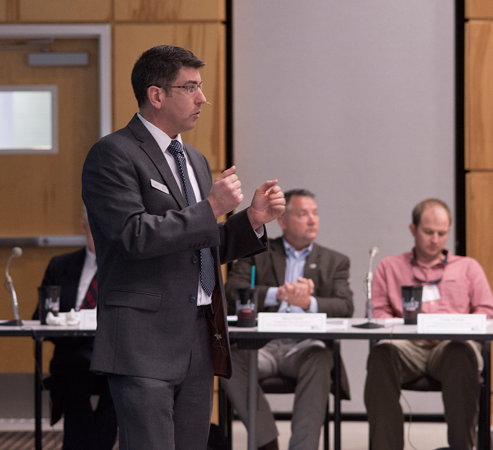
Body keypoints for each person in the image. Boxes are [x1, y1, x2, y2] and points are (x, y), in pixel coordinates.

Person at [81, 45, 286, 450]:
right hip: (143, 339)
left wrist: (252, 220)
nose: (202, 99)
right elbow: (133, 236)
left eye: (201, 86)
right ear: (156, 95)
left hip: (198, 334)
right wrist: (211, 207)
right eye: (190, 87)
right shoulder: (113, 154)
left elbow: (202, 243)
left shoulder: (192, 159)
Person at [222, 189, 354, 450]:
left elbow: (345, 306)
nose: (312, 219)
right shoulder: (257, 252)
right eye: (303, 214)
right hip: (262, 346)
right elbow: (233, 290)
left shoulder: (334, 261)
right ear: (282, 221)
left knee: (320, 356)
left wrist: (308, 302)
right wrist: (278, 294)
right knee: (229, 361)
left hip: (304, 346)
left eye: (315, 213)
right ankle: (266, 442)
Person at [364, 198, 493, 450]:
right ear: (413, 229)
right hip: (406, 347)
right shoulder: (389, 267)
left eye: (442, 233)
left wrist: (455, 326)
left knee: (461, 351)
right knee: (380, 355)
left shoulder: (468, 268)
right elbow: (379, 315)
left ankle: (463, 447)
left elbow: (486, 312)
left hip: (451, 348)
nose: (435, 239)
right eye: (428, 232)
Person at [33, 207, 117, 450]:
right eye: (95, 228)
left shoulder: (125, 267)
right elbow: (40, 316)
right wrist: (60, 318)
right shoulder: (61, 265)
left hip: (113, 352)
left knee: (120, 380)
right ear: (83, 226)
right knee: (76, 373)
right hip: (71, 353)